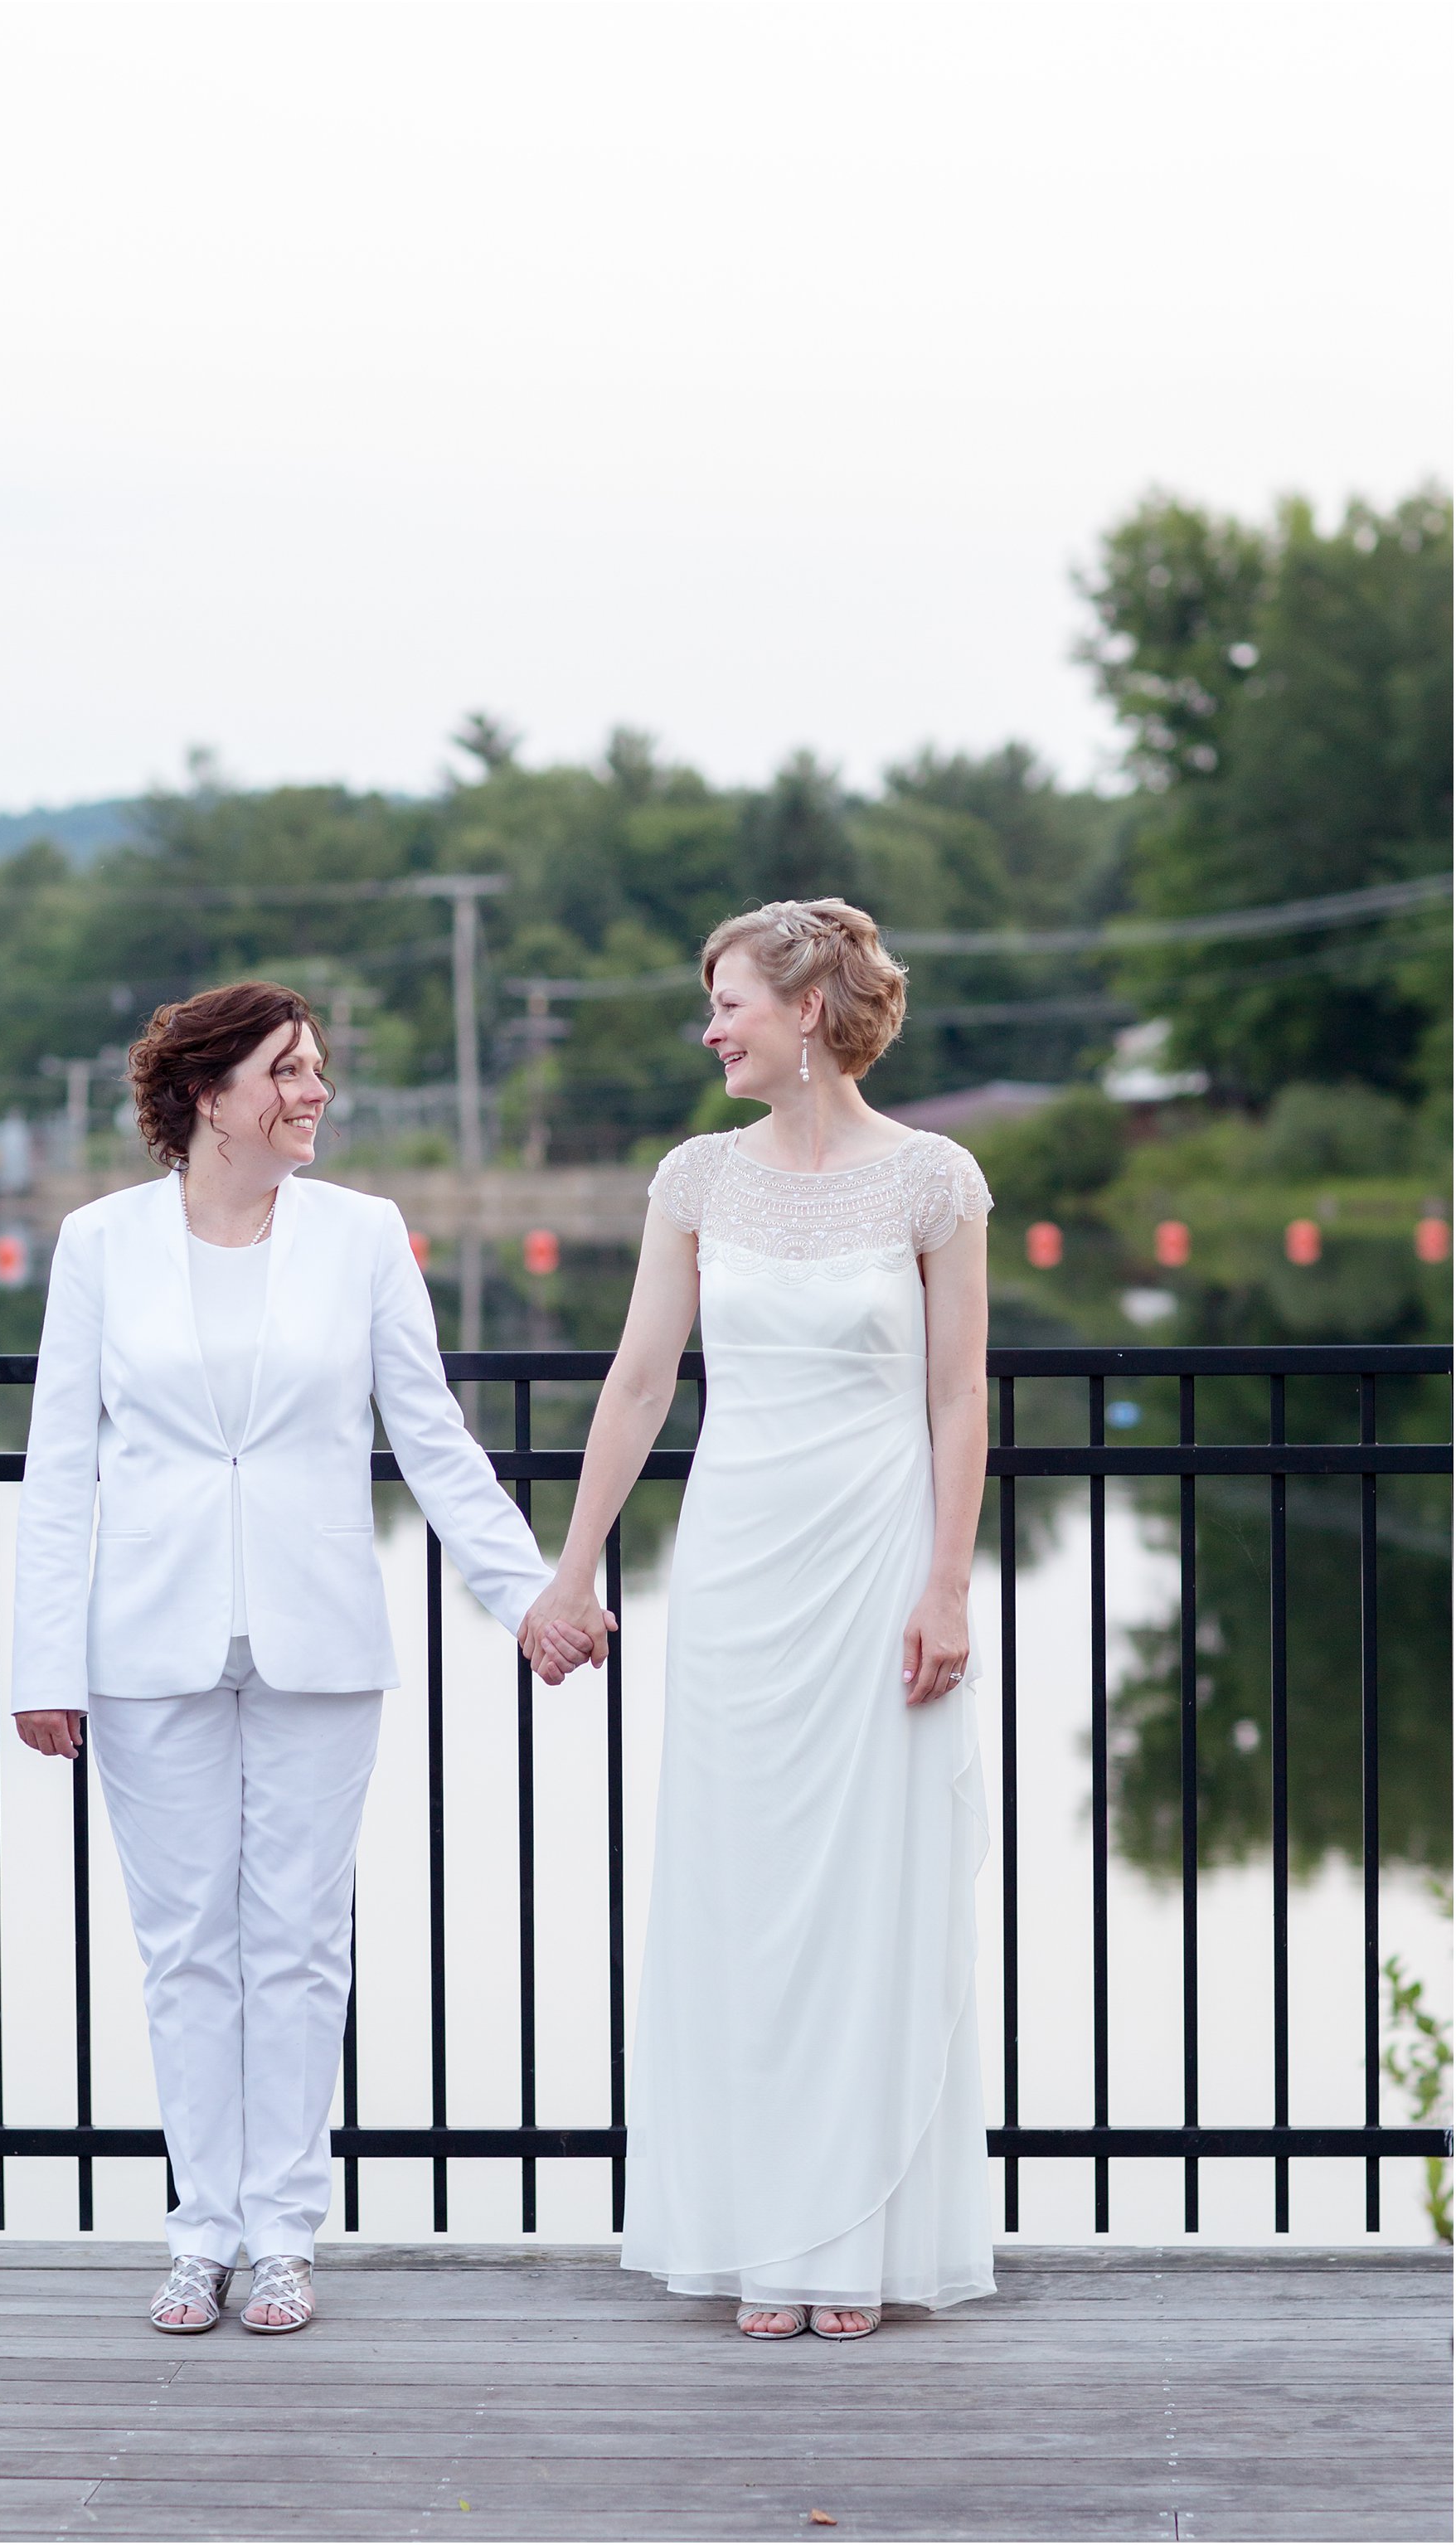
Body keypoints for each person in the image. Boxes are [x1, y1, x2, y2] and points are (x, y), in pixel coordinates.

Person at [12, 980, 599, 2336]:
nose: (314, 1093)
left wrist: (531, 1596)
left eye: (318, 1069)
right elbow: (58, 1471)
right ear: (208, 1094)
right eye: (287, 1071)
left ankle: (281, 2235)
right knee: (183, 1950)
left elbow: (435, 1435)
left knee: (296, 1941)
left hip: (320, 1636)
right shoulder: (100, 1244)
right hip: (144, 1644)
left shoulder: (363, 1234)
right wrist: (44, 1660)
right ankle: (198, 2235)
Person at [519, 899, 996, 2339]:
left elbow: (961, 1393)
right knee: (742, 1892)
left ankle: (849, 2236)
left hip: (873, 1561)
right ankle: (753, 2232)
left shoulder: (935, 1179)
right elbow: (640, 1381)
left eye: (726, 1001)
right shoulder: (696, 1179)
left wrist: (948, 1580)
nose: (708, 1026)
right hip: (735, 1567)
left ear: (806, 1012)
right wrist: (574, 1562)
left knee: (863, 1892)